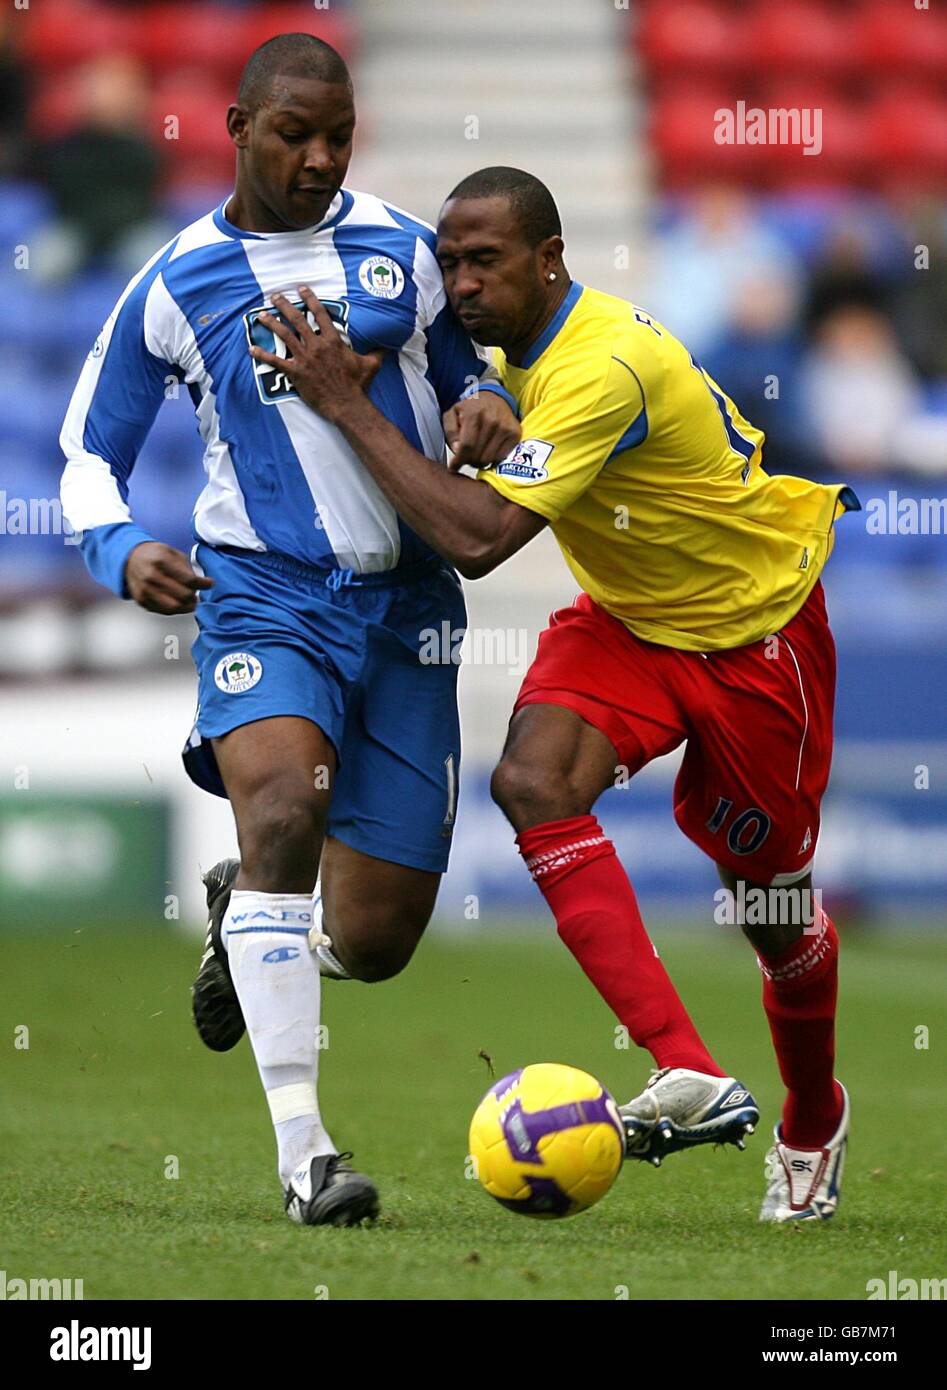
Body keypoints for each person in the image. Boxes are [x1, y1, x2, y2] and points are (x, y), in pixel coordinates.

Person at [260, 166, 861, 1225]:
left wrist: (343, 399)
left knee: (766, 904)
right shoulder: (504, 348)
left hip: (753, 632)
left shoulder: (601, 368)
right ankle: (685, 1066)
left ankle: (812, 1115)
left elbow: (481, 539)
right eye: (449, 264)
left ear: (550, 260)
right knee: (531, 780)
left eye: (484, 261)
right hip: (629, 621)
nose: (462, 283)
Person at [59, 41, 520, 1228]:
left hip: (409, 611)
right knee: (278, 815)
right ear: (237, 125)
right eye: (293, 134)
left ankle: (247, 919)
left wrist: (489, 401)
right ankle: (307, 1156)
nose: (318, 157)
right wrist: (119, 550)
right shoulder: (178, 280)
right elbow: (86, 457)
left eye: (338, 134)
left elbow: (482, 370)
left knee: (374, 941)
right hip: (265, 596)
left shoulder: (408, 249)